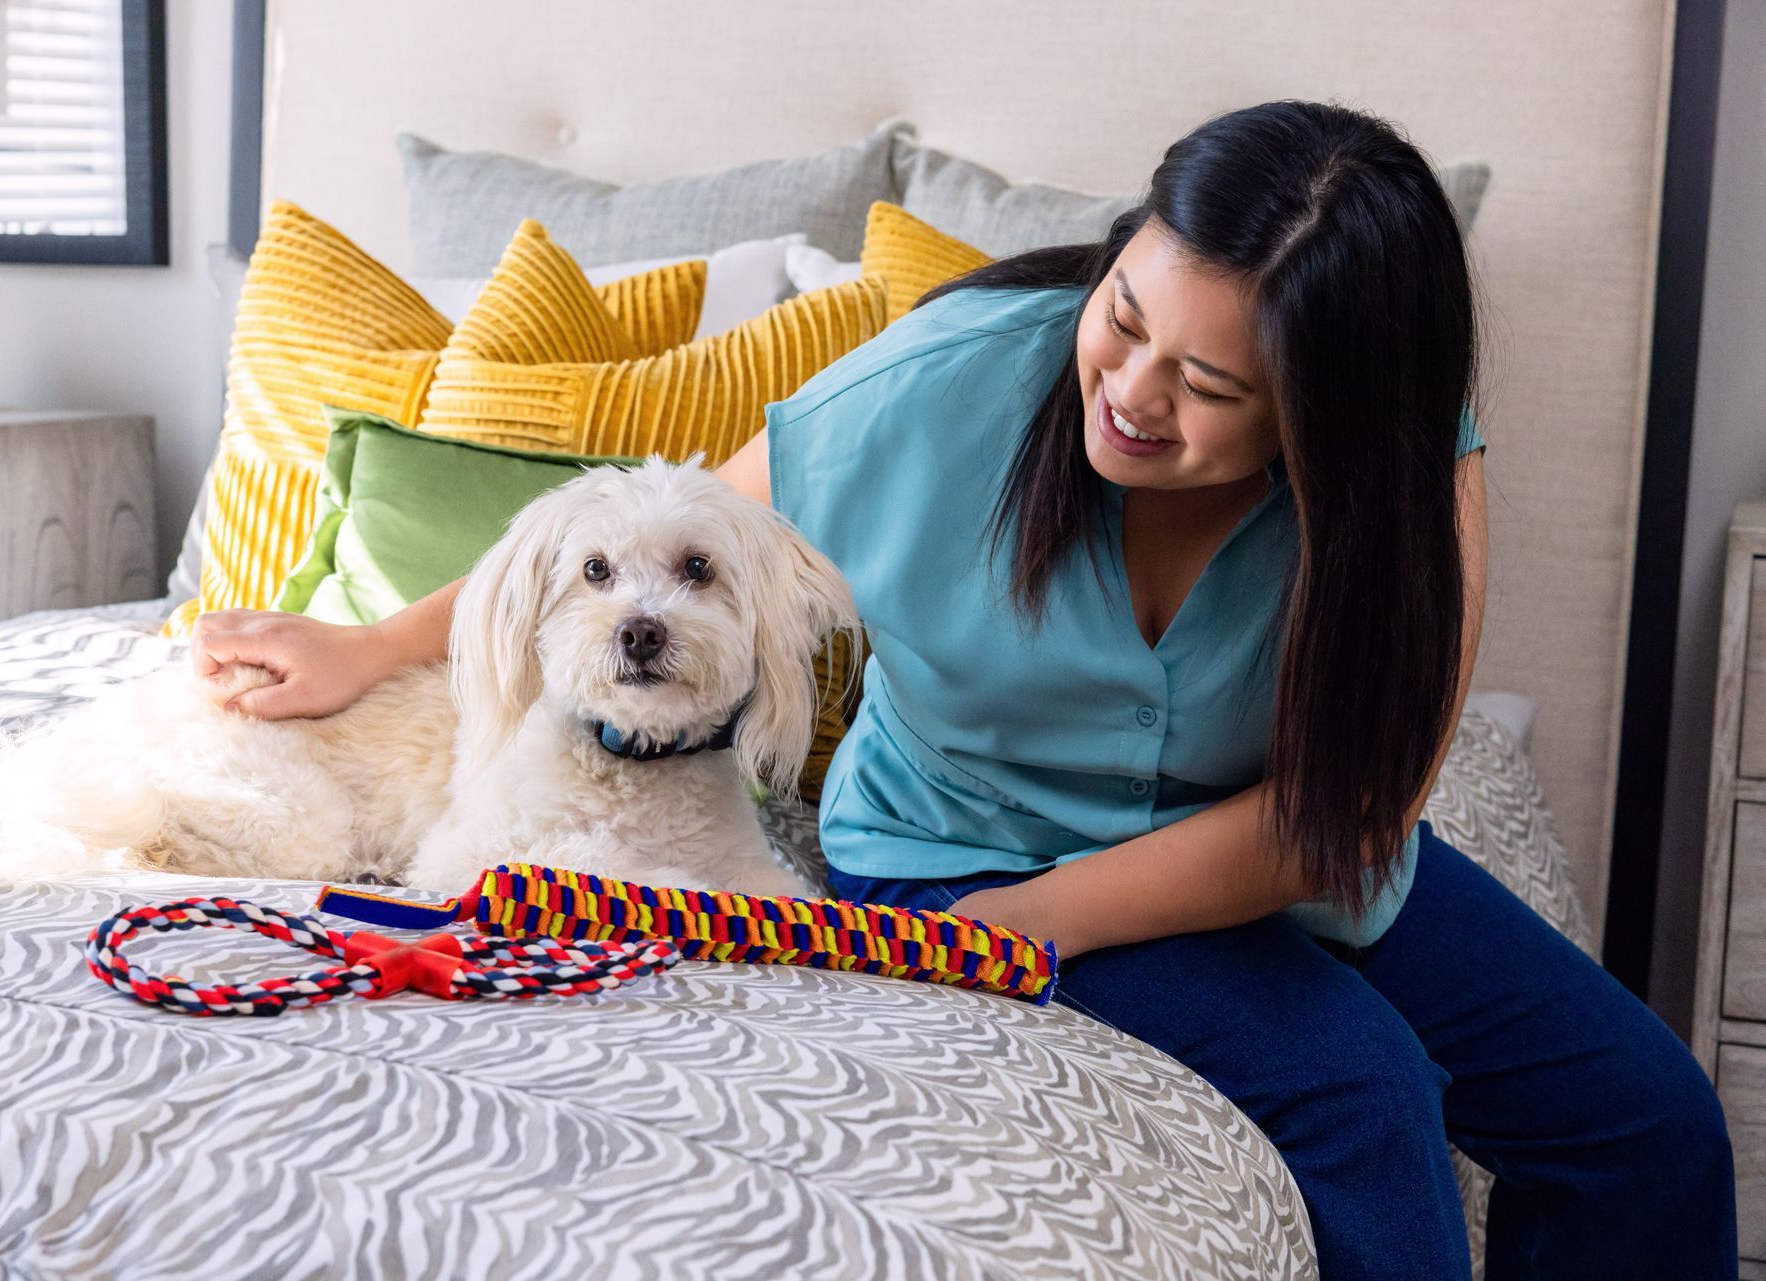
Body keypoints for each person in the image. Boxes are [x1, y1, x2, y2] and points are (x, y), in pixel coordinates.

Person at [190, 100, 1736, 1279]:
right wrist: (372, 645)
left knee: (1652, 1124)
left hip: (1295, 856)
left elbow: (1344, 808)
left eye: (1209, 387)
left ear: (1334, 414)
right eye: (1125, 318)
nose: (1130, 394)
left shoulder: (1410, 470)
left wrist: (1017, 945)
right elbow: (638, 536)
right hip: (969, 850)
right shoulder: (928, 394)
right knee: (1369, 1094)